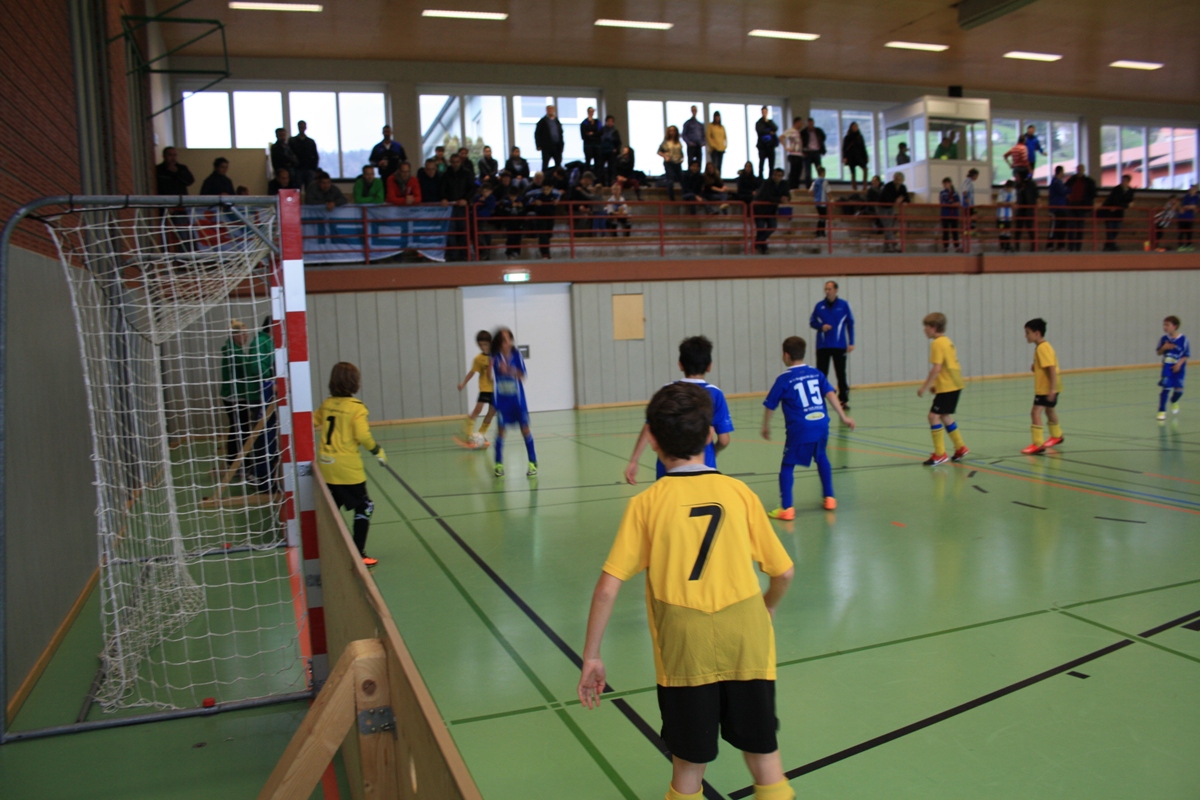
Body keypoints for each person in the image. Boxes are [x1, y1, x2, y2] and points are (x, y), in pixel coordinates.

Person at [578, 382, 797, 800]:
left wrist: (592, 656)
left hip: (684, 645)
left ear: (653, 440)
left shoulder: (646, 504)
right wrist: (766, 607)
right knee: (764, 755)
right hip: (747, 638)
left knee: (688, 766)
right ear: (711, 435)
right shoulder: (740, 493)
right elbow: (783, 572)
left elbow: (607, 588)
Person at [763, 335, 855, 516]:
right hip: (821, 423)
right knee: (821, 456)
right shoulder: (816, 373)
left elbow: (770, 405)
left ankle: (787, 508)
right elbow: (830, 394)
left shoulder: (784, 378)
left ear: (786, 355)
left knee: (787, 465)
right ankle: (830, 497)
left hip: (800, 427)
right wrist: (843, 417)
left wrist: (765, 426)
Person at [624, 335, 734, 484]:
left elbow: (649, 427)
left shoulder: (668, 390)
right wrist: (714, 451)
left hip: (668, 469)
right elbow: (724, 439)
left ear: (680, 365)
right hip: (704, 468)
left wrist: (634, 460)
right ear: (709, 366)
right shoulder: (715, 394)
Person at [314, 362, 387, 567]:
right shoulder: (356, 408)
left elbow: (311, 420)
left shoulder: (327, 404)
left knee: (333, 507)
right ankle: (358, 553)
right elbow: (363, 435)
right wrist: (377, 451)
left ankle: (324, 549)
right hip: (347, 469)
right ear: (355, 383)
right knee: (365, 506)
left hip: (325, 466)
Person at [221, 320, 275, 490]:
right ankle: (236, 463)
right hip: (234, 397)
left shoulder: (237, 349)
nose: (246, 336)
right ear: (234, 335)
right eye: (243, 333)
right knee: (240, 429)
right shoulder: (233, 351)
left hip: (240, 395)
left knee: (241, 428)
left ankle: (239, 462)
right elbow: (252, 368)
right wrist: (268, 378)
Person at [916, 313, 968, 466]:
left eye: (926, 327)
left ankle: (940, 454)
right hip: (954, 384)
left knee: (933, 417)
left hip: (948, 386)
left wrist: (924, 387)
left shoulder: (937, 343)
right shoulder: (947, 341)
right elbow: (948, 366)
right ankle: (960, 447)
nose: (924, 330)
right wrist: (937, 386)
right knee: (944, 416)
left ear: (934, 327)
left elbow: (937, 368)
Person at [490, 327, 538, 476]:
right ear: (499, 344)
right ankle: (498, 464)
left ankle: (532, 463)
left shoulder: (517, 355)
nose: (508, 343)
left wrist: (510, 369)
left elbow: (522, 375)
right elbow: (489, 375)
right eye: (505, 340)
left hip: (517, 401)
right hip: (503, 401)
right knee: (501, 431)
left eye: (509, 339)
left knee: (525, 430)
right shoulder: (495, 357)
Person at [811, 280, 855, 409]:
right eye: (826, 289)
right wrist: (821, 327)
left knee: (841, 373)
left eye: (829, 289)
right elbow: (812, 322)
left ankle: (843, 400)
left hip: (839, 345)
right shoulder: (819, 306)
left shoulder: (844, 305)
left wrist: (851, 342)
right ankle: (819, 399)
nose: (827, 291)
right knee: (821, 374)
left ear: (836, 290)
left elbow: (850, 324)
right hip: (823, 346)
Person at [1022, 318, 1063, 454]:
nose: (1026, 336)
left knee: (1035, 412)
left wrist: (1051, 389)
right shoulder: (1044, 346)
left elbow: (1051, 368)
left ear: (1037, 333)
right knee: (1049, 410)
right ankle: (1057, 435)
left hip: (1046, 388)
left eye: (1028, 332)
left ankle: (1038, 444)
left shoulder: (1042, 348)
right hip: (1051, 386)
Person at [458, 330, 496, 442]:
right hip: (485, 388)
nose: (483, 347)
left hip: (496, 390)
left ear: (490, 343)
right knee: (478, 409)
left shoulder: (497, 356)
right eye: (480, 345)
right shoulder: (478, 359)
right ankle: (469, 434)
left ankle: (480, 434)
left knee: (491, 412)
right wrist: (463, 383)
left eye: (485, 344)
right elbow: (472, 372)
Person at [1155, 315, 1189, 420]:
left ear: (1175, 326)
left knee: (1179, 391)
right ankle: (1161, 411)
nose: (1165, 327)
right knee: (1166, 389)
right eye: (1164, 325)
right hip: (1167, 368)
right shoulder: (1164, 339)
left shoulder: (1183, 339)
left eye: (1167, 325)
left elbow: (1186, 355)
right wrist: (1164, 348)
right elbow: (1158, 352)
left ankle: (1174, 401)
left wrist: (1179, 364)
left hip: (1179, 369)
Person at [442, 153, 475, 261]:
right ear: (450, 162)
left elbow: (472, 188)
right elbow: (442, 189)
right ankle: (453, 255)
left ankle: (464, 255)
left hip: (463, 207)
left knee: (463, 231)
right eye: (453, 162)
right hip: (450, 207)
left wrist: (466, 200)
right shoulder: (446, 174)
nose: (455, 164)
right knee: (451, 232)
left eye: (457, 162)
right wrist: (444, 198)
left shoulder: (467, 173)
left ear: (460, 162)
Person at [753, 168, 789, 254]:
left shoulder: (784, 184)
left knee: (772, 226)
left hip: (771, 210)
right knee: (760, 228)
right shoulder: (767, 183)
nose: (777, 177)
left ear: (782, 176)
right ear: (772, 175)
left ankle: (758, 243)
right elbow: (766, 196)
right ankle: (763, 248)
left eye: (779, 175)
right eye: (775, 175)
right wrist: (779, 199)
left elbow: (787, 194)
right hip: (760, 210)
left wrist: (786, 198)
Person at [524, 177, 561, 259]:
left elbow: (559, 196)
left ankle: (546, 253)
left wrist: (557, 201)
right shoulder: (537, 194)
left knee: (548, 235)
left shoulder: (555, 194)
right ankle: (545, 254)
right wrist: (534, 201)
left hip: (550, 216)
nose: (545, 191)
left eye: (547, 189)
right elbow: (527, 198)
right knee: (542, 235)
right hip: (540, 216)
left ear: (551, 188)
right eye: (543, 189)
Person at [1064, 164, 1097, 251]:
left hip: (1082, 206)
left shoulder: (1089, 182)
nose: (1079, 171)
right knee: (1071, 227)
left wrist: (1090, 204)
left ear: (1083, 170)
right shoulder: (1071, 180)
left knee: (1080, 228)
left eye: (1081, 169)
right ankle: (1071, 247)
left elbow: (1093, 194)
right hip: (1071, 205)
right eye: (1078, 169)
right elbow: (1065, 190)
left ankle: (1078, 248)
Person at [1101, 174, 1135, 251]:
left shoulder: (1130, 191)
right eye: (1122, 180)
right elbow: (1116, 201)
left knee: (1116, 229)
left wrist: (1126, 205)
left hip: (1119, 213)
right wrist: (1126, 205)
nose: (1123, 182)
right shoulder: (1116, 189)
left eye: (1125, 180)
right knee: (1110, 229)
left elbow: (1130, 201)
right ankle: (1112, 246)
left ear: (1128, 181)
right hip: (1110, 213)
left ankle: (1108, 245)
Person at [879, 171, 910, 253]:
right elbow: (885, 197)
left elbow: (906, 197)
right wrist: (896, 200)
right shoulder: (888, 186)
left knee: (888, 227)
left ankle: (886, 248)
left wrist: (903, 200)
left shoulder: (902, 187)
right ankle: (894, 244)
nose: (897, 181)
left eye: (899, 179)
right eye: (896, 179)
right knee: (887, 227)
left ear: (902, 180)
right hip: (883, 208)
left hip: (891, 208)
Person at [657, 126, 685, 201]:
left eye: (674, 131)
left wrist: (682, 158)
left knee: (682, 179)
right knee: (670, 179)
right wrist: (665, 156)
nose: (672, 133)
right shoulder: (666, 142)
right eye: (671, 131)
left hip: (677, 162)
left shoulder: (678, 142)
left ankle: (685, 196)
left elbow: (681, 152)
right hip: (669, 162)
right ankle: (671, 198)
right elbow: (659, 151)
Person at [289, 120, 319, 190]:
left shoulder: (311, 141)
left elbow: (315, 156)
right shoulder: (292, 141)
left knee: (310, 189)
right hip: (297, 169)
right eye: (300, 127)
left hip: (309, 169)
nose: (302, 129)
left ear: (305, 128)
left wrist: (313, 168)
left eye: (303, 127)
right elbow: (289, 154)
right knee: (296, 189)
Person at [1014, 171, 1040, 251]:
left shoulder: (1031, 184)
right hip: (1021, 210)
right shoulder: (1018, 185)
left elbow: (1037, 196)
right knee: (1018, 229)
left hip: (1029, 210)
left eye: (1017, 176)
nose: (1016, 178)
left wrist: (1036, 204)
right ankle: (1017, 247)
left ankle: (1034, 247)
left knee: (1030, 229)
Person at [535, 105, 564, 172]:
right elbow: (537, 133)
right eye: (549, 109)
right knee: (545, 164)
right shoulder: (542, 121)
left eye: (551, 109)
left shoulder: (557, 121)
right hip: (546, 146)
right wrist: (538, 145)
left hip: (557, 146)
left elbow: (561, 133)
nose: (550, 111)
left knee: (558, 163)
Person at [800, 118, 827, 189]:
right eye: (809, 124)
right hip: (807, 152)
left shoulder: (818, 131)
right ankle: (808, 187)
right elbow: (801, 142)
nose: (810, 125)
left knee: (819, 170)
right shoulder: (803, 132)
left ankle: (821, 185)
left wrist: (821, 148)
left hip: (816, 152)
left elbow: (823, 137)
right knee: (807, 172)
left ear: (813, 123)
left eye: (811, 123)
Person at [841, 121, 868, 190]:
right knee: (853, 173)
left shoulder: (860, 137)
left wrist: (866, 156)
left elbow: (863, 147)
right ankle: (854, 187)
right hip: (851, 157)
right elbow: (844, 148)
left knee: (865, 168)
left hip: (859, 156)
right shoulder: (847, 137)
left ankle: (864, 185)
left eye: (856, 126)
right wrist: (844, 157)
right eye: (854, 126)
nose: (855, 128)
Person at [1047, 165, 1069, 250]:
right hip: (1056, 208)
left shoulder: (1060, 182)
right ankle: (1050, 245)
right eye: (1063, 172)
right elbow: (1062, 191)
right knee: (1054, 226)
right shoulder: (1056, 182)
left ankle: (1060, 245)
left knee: (1062, 227)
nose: (1064, 173)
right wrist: (1071, 189)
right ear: (1060, 172)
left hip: (1062, 208)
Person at [937, 177, 961, 253]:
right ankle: (945, 247)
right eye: (944, 184)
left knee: (955, 231)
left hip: (954, 214)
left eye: (946, 183)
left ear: (950, 183)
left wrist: (951, 203)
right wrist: (952, 203)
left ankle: (957, 246)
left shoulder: (955, 193)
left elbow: (958, 202)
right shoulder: (942, 193)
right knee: (945, 231)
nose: (945, 185)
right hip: (945, 214)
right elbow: (943, 202)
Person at [755, 106, 779, 178]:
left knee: (771, 165)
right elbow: (760, 131)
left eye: (765, 112)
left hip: (770, 146)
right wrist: (769, 132)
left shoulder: (770, 122)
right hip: (762, 146)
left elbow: (775, 128)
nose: (764, 113)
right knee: (761, 164)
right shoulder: (759, 123)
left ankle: (770, 178)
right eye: (763, 112)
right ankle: (760, 179)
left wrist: (767, 122)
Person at [781, 117, 805, 191]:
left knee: (798, 172)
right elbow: (781, 137)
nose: (801, 125)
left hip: (799, 154)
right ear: (796, 123)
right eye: (800, 123)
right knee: (793, 172)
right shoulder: (790, 131)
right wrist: (786, 147)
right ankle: (791, 187)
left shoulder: (798, 132)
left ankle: (796, 187)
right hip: (793, 154)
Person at [598, 115, 623, 185]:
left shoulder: (615, 132)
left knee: (611, 169)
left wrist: (616, 149)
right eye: (608, 121)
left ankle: (610, 183)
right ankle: (602, 182)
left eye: (611, 121)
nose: (610, 123)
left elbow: (618, 142)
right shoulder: (602, 130)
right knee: (601, 168)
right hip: (602, 152)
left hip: (611, 152)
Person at [996, 179, 1016, 252]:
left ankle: (1007, 246)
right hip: (1001, 216)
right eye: (1009, 188)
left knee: (1008, 231)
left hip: (1008, 216)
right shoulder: (1001, 191)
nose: (1010, 189)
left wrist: (1006, 203)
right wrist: (1008, 203)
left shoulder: (1013, 191)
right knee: (1002, 231)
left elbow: (1013, 202)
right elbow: (999, 202)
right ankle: (1002, 247)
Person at [960, 167, 979, 244]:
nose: (977, 178)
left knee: (974, 216)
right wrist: (966, 198)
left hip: (971, 204)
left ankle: (971, 230)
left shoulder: (970, 182)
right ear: (973, 175)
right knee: (970, 217)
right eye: (976, 176)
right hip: (967, 205)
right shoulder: (967, 181)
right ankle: (968, 231)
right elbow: (964, 190)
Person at [706, 111, 726, 176]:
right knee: (715, 165)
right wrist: (712, 145)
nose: (717, 118)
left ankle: (719, 178)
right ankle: (713, 178)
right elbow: (708, 136)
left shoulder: (722, 127)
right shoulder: (711, 126)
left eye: (718, 117)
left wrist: (724, 146)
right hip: (714, 149)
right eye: (716, 117)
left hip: (721, 149)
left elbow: (725, 137)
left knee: (720, 165)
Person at [811, 166, 829, 237]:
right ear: (823, 172)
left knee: (821, 217)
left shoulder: (815, 182)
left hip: (817, 202)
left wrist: (816, 196)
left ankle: (819, 231)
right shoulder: (824, 181)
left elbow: (810, 191)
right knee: (823, 217)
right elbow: (828, 192)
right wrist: (831, 200)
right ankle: (821, 232)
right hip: (823, 202)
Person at [1178, 185, 1198, 251]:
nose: (1192, 190)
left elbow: (1195, 207)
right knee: (1181, 232)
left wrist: (1191, 207)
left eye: (1194, 189)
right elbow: (1184, 206)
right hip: (1183, 217)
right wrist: (1191, 207)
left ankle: (1188, 246)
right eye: (1191, 189)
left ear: (1196, 190)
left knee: (1189, 232)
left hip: (1190, 217)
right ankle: (1180, 246)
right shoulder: (1186, 197)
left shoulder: (1196, 197)